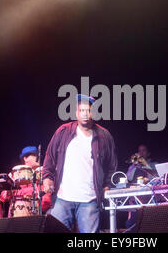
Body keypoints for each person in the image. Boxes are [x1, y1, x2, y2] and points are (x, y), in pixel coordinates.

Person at [42, 94, 118, 233]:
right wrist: (47, 177)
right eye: (81, 110)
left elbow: (111, 165)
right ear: (76, 113)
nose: (85, 114)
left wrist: (107, 186)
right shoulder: (63, 131)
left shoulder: (104, 136)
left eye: (88, 111)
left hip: (90, 200)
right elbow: (49, 157)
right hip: (63, 197)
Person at [0, 146, 52, 215]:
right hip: (19, 210)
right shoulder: (16, 174)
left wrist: (21, 192)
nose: (38, 158)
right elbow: (3, 196)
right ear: (25, 158)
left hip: (42, 211)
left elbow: (47, 198)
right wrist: (10, 193)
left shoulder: (44, 172)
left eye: (38, 155)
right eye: (34, 155)